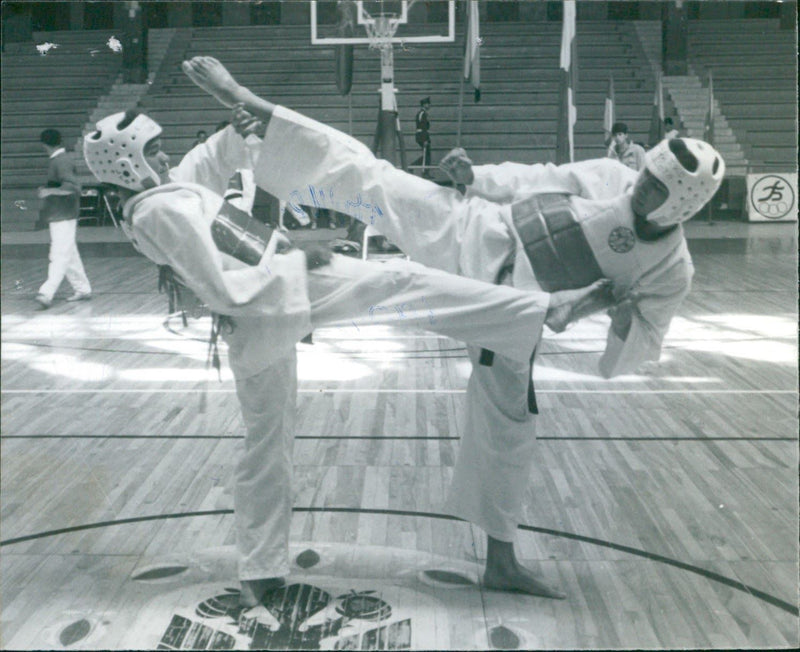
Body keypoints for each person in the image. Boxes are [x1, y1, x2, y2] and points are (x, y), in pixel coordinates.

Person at [180, 55, 726, 599]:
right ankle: (252, 105)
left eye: (656, 190)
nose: (641, 188)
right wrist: (477, 177)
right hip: (476, 232)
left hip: (511, 310)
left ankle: (501, 562)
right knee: (375, 178)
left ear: (682, 206)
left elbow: (641, 347)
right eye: (648, 176)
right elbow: (542, 178)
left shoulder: (670, 270)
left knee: (510, 425)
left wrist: (624, 313)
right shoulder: (615, 176)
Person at [82, 106, 613, 607]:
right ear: (126, 163)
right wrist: (301, 261)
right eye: (153, 153)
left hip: (266, 311)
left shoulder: (165, 195)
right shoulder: (159, 211)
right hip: (282, 289)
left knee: (267, 442)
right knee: (402, 281)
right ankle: (545, 311)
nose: (163, 158)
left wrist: (233, 131)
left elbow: (206, 167)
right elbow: (222, 289)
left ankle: (260, 569)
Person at [35, 128, 92, 309]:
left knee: (59, 254)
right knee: (69, 254)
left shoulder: (61, 162)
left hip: (63, 215)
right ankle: (83, 289)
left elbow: (73, 187)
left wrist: (47, 191)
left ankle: (46, 292)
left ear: (44, 145)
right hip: (61, 214)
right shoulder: (61, 160)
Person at [412, 97, 432, 177]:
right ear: (424, 104)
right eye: (428, 103)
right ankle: (423, 171)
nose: (429, 105)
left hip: (423, 135)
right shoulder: (422, 114)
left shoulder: (424, 113)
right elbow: (422, 127)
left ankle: (425, 171)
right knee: (426, 155)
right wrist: (425, 139)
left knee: (427, 155)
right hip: (422, 136)